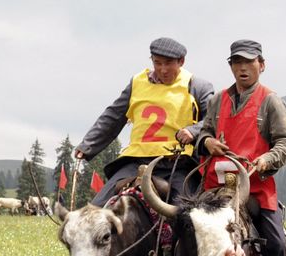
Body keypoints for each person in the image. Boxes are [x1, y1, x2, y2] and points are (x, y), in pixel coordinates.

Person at [195, 39, 286, 256]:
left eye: (248, 62)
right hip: (215, 187)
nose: (242, 68)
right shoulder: (218, 100)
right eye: (236, 62)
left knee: (275, 245)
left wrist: (266, 160)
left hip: (254, 189)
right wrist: (207, 142)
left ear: (261, 65)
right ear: (230, 66)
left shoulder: (271, 101)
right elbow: (204, 132)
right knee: (184, 236)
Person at [75, 37, 214, 206]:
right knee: (96, 210)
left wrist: (193, 131)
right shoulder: (136, 83)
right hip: (137, 161)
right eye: (157, 63)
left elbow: (212, 118)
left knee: (189, 215)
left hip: (177, 163)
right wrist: (87, 145)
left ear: (181, 61)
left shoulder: (197, 86)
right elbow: (113, 116)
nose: (163, 70)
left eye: (169, 63)